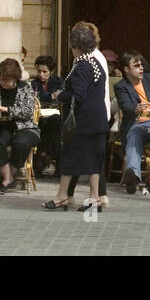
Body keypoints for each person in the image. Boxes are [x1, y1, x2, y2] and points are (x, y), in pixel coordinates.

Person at [44, 23, 110, 211]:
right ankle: (94, 198)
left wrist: (59, 95)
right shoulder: (96, 62)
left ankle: (62, 196)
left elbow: (78, 95)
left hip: (83, 121)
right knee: (93, 161)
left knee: (69, 157)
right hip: (97, 120)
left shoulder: (83, 65)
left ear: (76, 46)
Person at [114, 51, 150, 193]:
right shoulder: (121, 86)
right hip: (138, 123)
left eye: (141, 65)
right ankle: (133, 176)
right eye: (136, 66)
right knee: (134, 135)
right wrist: (135, 109)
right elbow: (126, 107)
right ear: (127, 69)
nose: (141, 68)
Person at [0, 58, 41, 194]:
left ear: (15, 78)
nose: (2, 83)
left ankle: (7, 176)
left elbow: (27, 112)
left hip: (26, 126)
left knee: (21, 144)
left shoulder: (25, 88)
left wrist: (5, 109)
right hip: (3, 125)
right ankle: (8, 178)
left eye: (6, 80)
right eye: (1, 79)